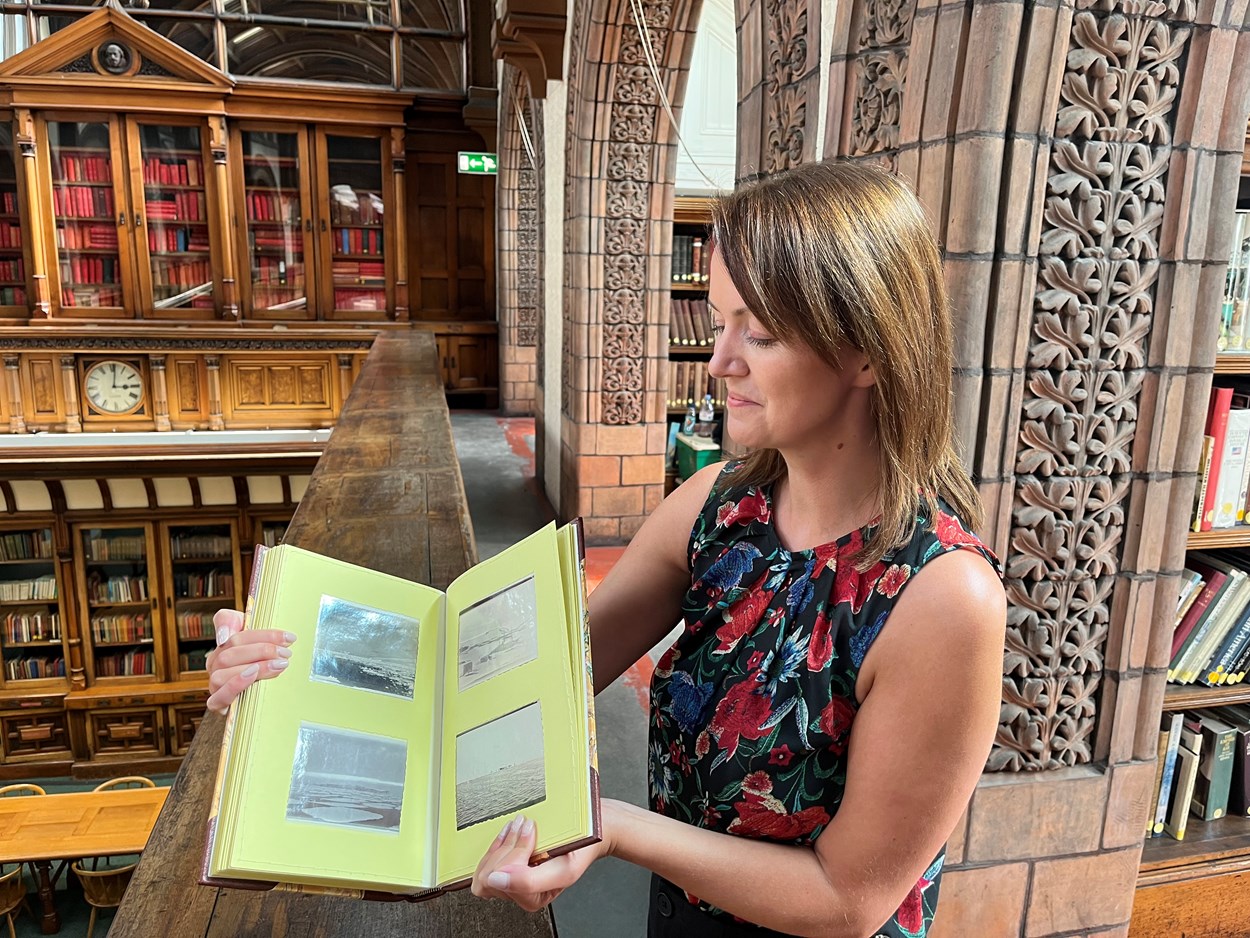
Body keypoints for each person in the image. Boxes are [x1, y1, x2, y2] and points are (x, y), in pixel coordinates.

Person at [206, 160, 1007, 938]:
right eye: (721, 322)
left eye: (756, 335)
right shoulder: (720, 505)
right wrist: (305, 660)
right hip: (679, 916)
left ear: (866, 350)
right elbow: (533, 677)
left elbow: (848, 900)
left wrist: (611, 827)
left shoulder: (943, 598)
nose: (718, 361)